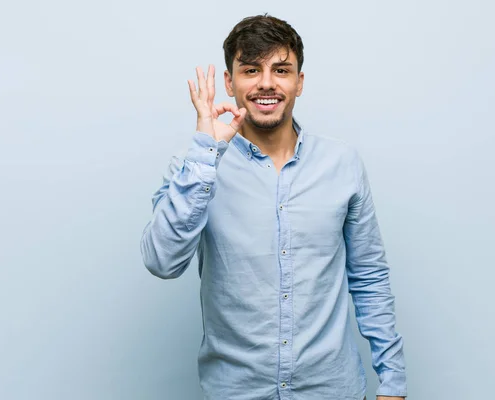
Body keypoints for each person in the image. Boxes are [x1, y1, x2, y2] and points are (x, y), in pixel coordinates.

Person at [140, 14, 407, 400]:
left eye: (281, 69)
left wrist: (393, 383)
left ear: (299, 81)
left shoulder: (342, 164)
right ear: (230, 82)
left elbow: (369, 279)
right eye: (251, 69)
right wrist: (205, 154)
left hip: (332, 391)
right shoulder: (193, 165)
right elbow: (161, 261)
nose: (266, 83)